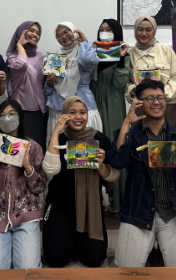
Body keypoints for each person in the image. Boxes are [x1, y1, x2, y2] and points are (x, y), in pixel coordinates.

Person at [107, 80, 176, 268]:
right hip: (138, 211)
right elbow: (117, 161)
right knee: (126, 271)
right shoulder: (131, 135)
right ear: (139, 103)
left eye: (160, 98)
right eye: (149, 98)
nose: (156, 102)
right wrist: (126, 123)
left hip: (174, 211)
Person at [42, 96, 120, 268]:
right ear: (64, 115)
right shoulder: (59, 139)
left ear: (87, 115)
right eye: (72, 112)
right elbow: (50, 170)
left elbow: (114, 175)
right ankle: (68, 237)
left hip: (89, 207)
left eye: (82, 112)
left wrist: (100, 166)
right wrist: (55, 132)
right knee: (56, 259)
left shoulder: (99, 139)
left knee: (94, 258)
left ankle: (76, 240)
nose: (78, 117)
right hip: (61, 205)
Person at [0, 99, 46, 270]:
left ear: (20, 118)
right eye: (3, 115)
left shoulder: (32, 147)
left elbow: (39, 187)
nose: (7, 118)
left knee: (28, 269)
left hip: (26, 216)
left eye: (12, 114)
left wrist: (28, 167)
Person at [89, 18, 129, 213]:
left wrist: (119, 57)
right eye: (101, 29)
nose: (104, 32)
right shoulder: (93, 51)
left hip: (112, 102)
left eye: (109, 29)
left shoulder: (124, 52)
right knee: (95, 144)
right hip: (93, 101)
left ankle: (117, 199)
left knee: (115, 144)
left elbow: (120, 82)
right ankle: (95, 198)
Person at [44, 22, 102, 144]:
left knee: (86, 147)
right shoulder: (55, 57)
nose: (63, 36)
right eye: (59, 35)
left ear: (74, 31)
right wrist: (49, 83)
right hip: (58, 108)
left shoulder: (84, 52)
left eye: (66, 32)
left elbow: (89, 61)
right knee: (60, 146)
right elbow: (48, 91)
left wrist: (85, 41)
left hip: (82, 107)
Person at [126, 16, 176, 127]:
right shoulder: (129, 55)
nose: (144, 33)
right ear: (135, 30)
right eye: (140, 29)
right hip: (141, 106)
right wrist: (134, 90)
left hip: (167, 105)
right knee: (142, 136)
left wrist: (161, 96)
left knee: (170, 136)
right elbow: (126, 82)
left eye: (148, 30)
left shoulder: (166, 50)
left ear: (154, 31)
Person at [6, 21, 47, 153]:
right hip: (21, 109)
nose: (35, 34)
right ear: (21, 32)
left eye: (38, 33)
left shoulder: (41, 56)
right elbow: (21, 64)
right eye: (31, 30)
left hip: (40, 110)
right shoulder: (13, 57)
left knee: (38, 147)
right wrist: (19, 45)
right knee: (21, 149)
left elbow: (45, 81)